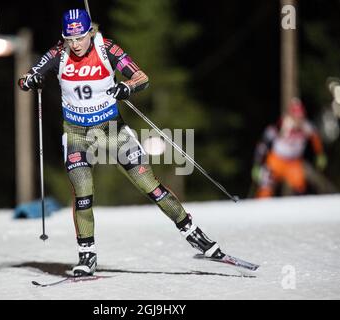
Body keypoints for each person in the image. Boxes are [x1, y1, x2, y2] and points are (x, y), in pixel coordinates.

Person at [18, 9, 223, 276]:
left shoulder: (107, 49)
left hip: (113, 129)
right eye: (69, 39)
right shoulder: (59, 53)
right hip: (77, 133)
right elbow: (25, 79)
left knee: (150, 185)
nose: (75, 44)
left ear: (90, 32)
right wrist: (30, 80)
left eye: (80, 37)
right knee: (83, 193)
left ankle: (192, 232)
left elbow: (142, 77)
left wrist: (127, 87)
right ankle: (87, 255)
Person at [252, 98, 328, 198]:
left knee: (300, 187)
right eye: (296, 117)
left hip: (293, 162)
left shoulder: (306, 126)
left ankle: (298, 210)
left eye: (300, 117)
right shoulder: (281, 124)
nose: (298, 120)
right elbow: (264, 143)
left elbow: (315, 139)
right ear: (290, 115)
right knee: (266, 186)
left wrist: (320, 154)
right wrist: (257, 163)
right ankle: (261, 208)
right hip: (276, 161)